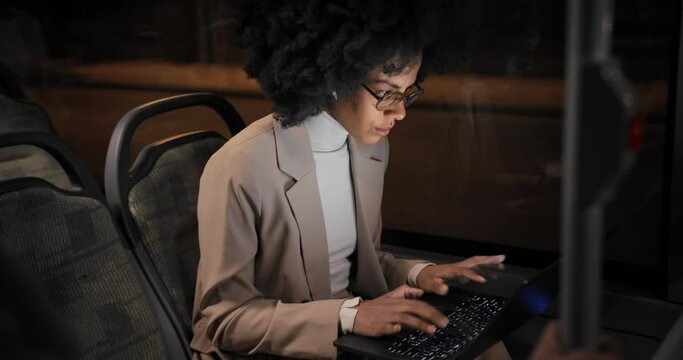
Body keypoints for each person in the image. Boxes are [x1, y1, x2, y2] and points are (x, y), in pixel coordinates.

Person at [191, 1, 507, 359]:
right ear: (335, 79)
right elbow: (222, 321)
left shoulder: (370, 149)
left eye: (408, 92)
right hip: (280, 348)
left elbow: (355, 262)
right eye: (387, 93)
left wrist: (421, 273)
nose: (400, 112)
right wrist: (348, 316)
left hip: (351, 330)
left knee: (485, 346)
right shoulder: (240, 166)